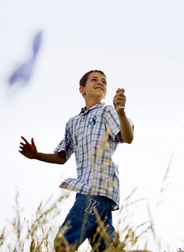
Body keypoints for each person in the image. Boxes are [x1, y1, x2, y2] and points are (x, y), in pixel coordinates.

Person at [19, 70, 134, 252]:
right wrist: (36, 155)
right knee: (109, 249)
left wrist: (121, 113)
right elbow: (62, 156)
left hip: (99, 188)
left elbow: (127, 137)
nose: (100, 82)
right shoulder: (73, 122)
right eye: (94, 80)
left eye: (103, 81)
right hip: (84, 189)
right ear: (82, 89)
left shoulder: (107, 112)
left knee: (63, 243)